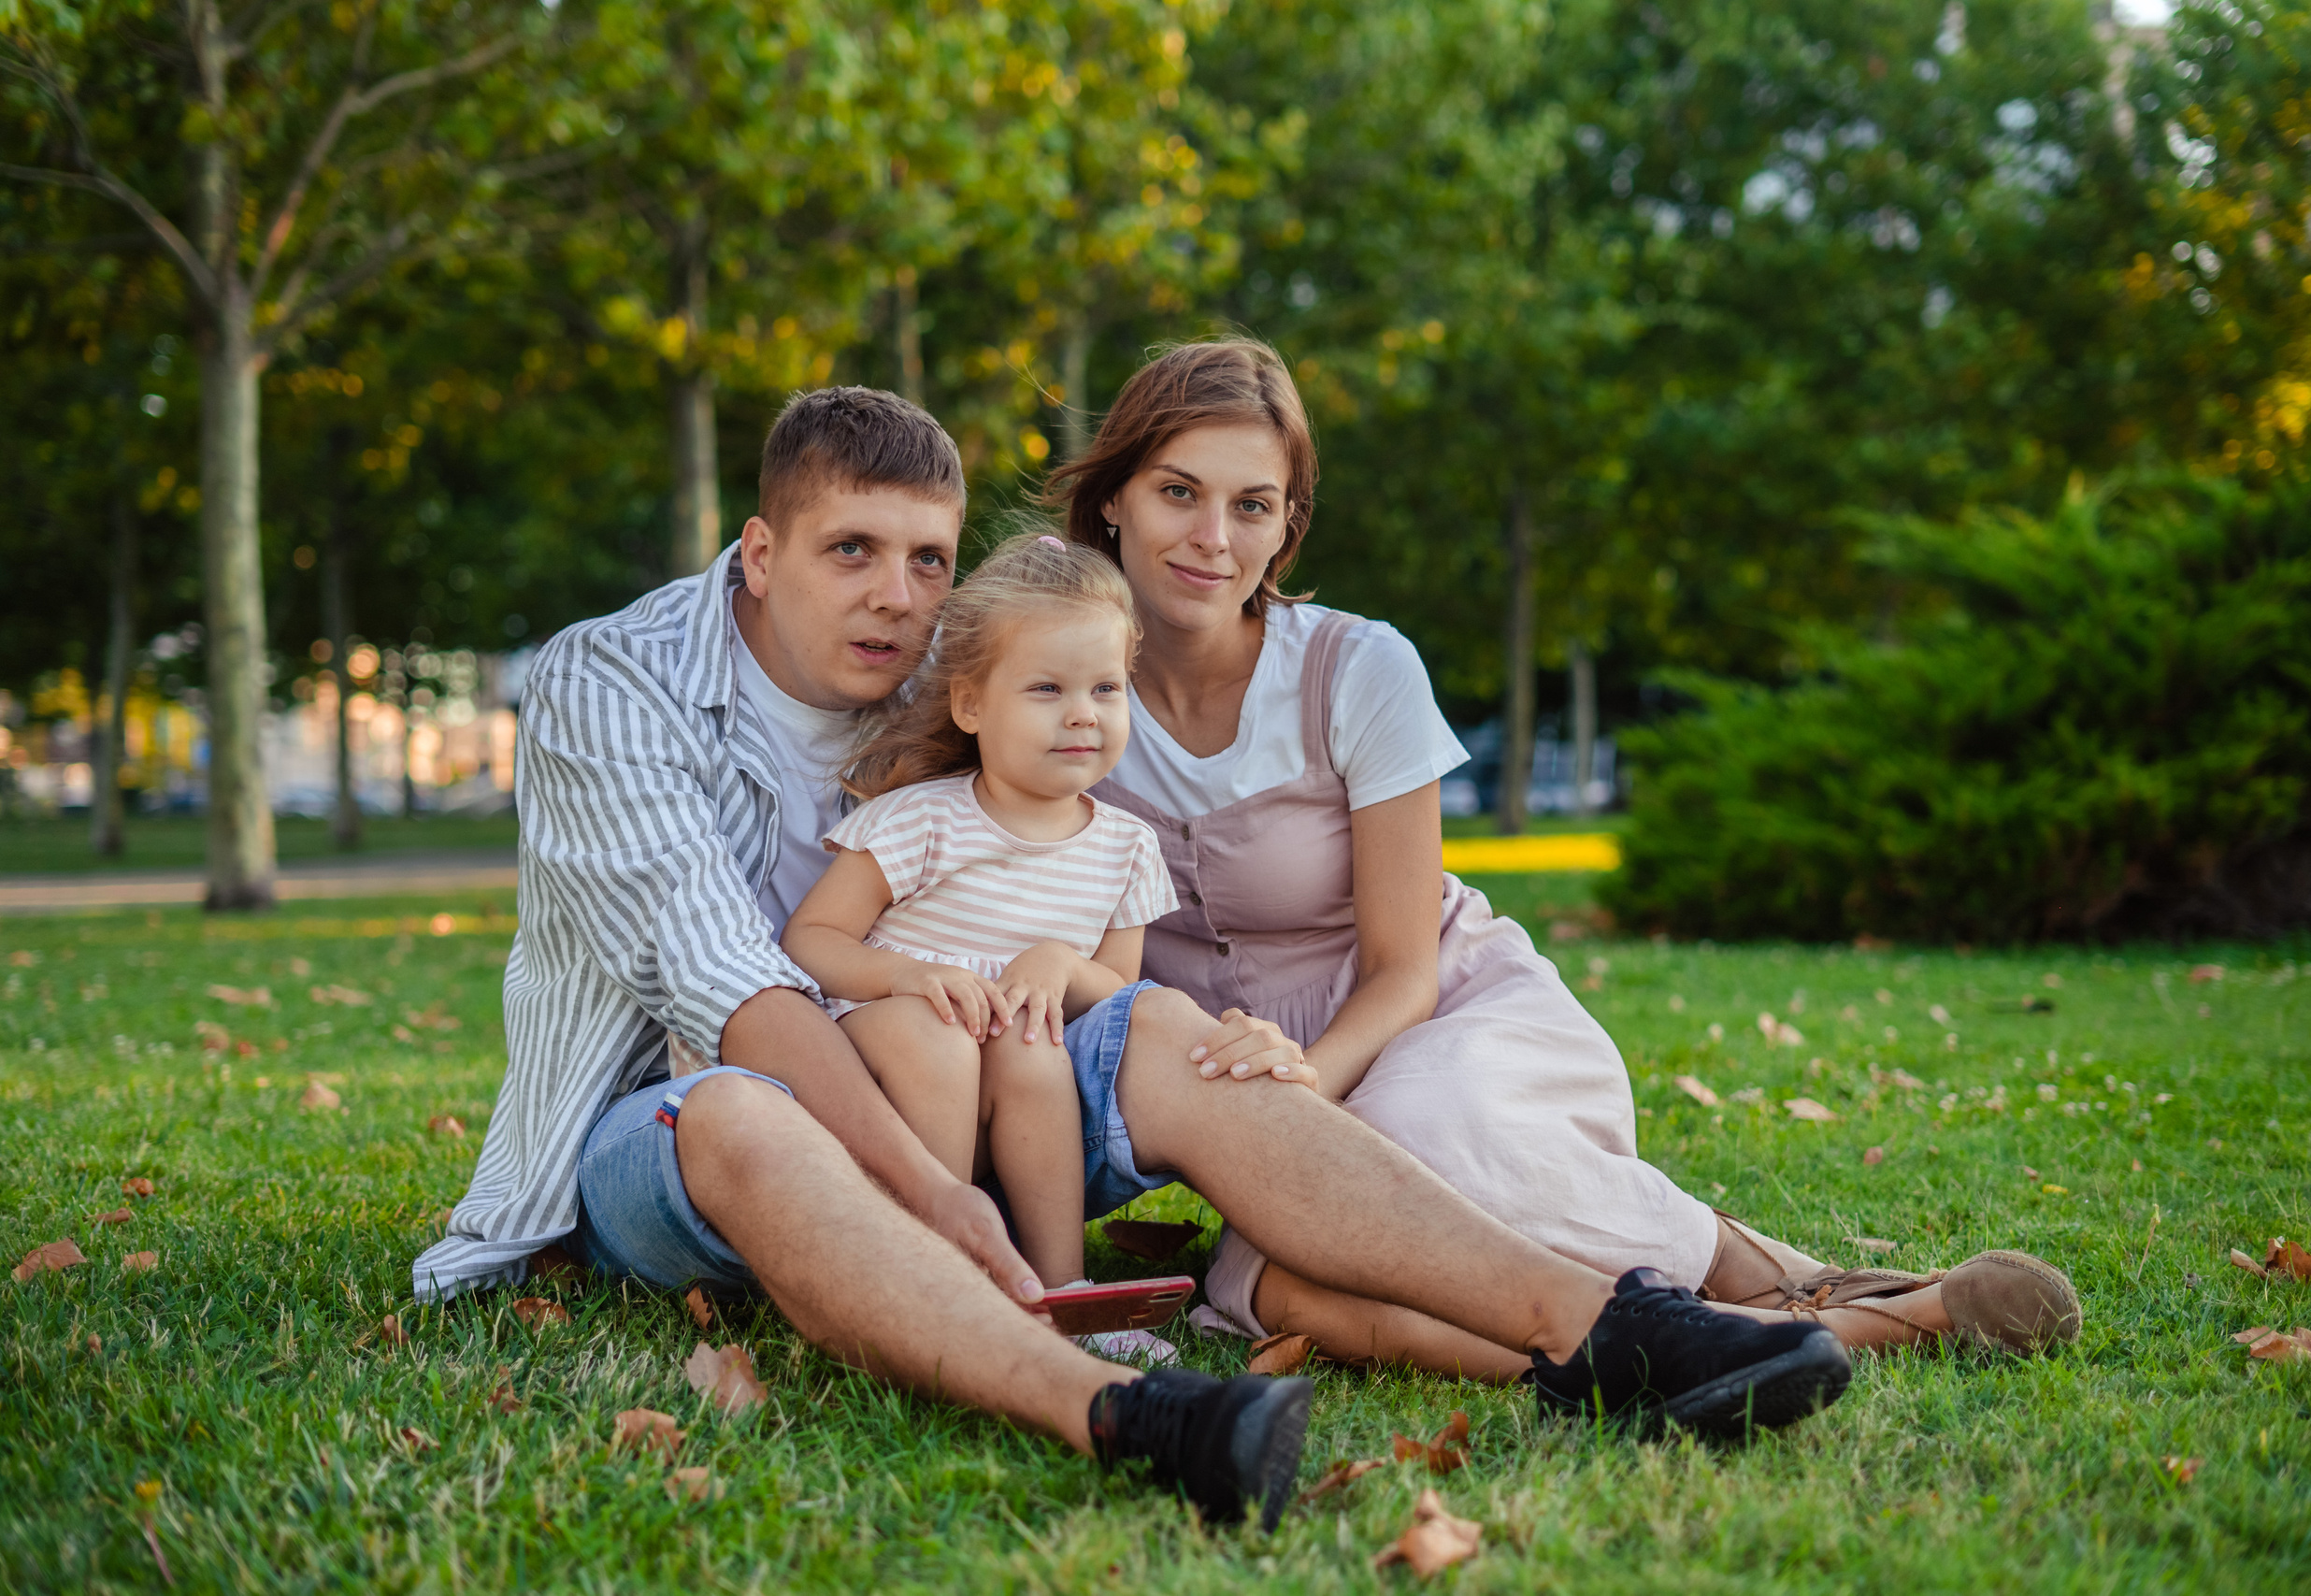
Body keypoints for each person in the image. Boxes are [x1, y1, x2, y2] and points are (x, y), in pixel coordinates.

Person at [412, 387, 1855, 1537]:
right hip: (671, 1123)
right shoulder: (610, 679)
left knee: (1172, 1026)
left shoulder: (954, 669)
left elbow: (1100, 747)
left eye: (927, 559)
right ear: (761, 550)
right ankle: (1123, 1412)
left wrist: (1125, 985)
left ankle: (1608, 1324)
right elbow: (739, 992)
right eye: (851, 551)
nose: (895, 595)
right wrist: (933, 1204)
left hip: (973, 1078)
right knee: (741, 1103)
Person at [1050, 338, 2084, 1377]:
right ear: (1113, 501)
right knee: (1291, 1288)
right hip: (1238, 1085)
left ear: (1287, 525)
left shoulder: (1355, 669)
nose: (1212, 539)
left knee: (1415, 1143)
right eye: (1178, 492)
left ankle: (1739, 1261)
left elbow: (1404, 968)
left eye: (1252, 506)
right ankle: (1783, 1337)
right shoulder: (1049, 687)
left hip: (1431, 1019)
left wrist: (1300, 1093)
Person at [784, 533, 1175, 1351]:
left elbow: (1123, 1000)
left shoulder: (1128, 847)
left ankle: (1059, 1287)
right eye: (1046, 687)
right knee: (945, 1038)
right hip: (888, 1040)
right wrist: (911, 975)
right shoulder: (922, 818)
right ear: (970, 704)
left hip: (1010, 1071)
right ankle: (929, 1269)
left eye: (1107, 687)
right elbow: (811, 938)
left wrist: (1061, 965)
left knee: (1035, 1049)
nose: (1082, 712)